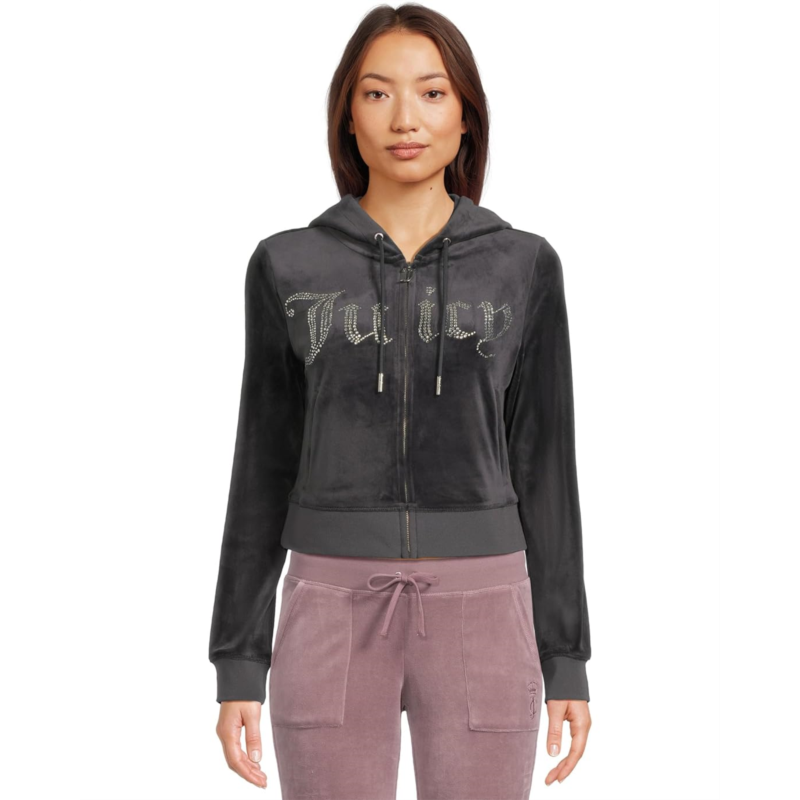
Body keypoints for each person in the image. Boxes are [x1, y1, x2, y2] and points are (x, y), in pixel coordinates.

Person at [208, 4, 592, 797]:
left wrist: (567, 658)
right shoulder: (288, 264)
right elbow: (263, 463)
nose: (405, 119)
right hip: (329, 606)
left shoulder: (524, 266)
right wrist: (239, 659)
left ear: (466, 115)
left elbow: (546, 465)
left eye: (432, 93)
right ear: (347, 116)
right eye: (378, 93)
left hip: (485, 608)